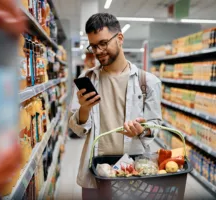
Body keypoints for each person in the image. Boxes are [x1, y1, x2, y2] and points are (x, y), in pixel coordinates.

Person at [68, 13, 162, 199]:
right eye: (93, 46)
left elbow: (155, 127)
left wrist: (141, 130)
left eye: (103, 43)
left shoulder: (148, 82)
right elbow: (77, 130)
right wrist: (84, 109)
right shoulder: (87, 80)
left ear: (119, 38)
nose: (98, 51)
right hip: (95, 172)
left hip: (133, 171)